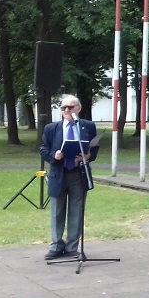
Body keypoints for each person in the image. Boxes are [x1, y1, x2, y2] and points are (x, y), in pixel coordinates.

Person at [39, 94, 99, 260]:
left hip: (78, 173)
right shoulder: (52, 128)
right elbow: (43, 150)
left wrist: (88, 156)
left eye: (70, 107)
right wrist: (54, 156)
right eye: (63, 107)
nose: (66, 110)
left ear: (78, 109)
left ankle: (72, 246)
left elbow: (94, 149)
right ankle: (56, 245)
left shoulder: (87, 126)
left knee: (76, 210)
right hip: (59, 172)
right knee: (57, 211)